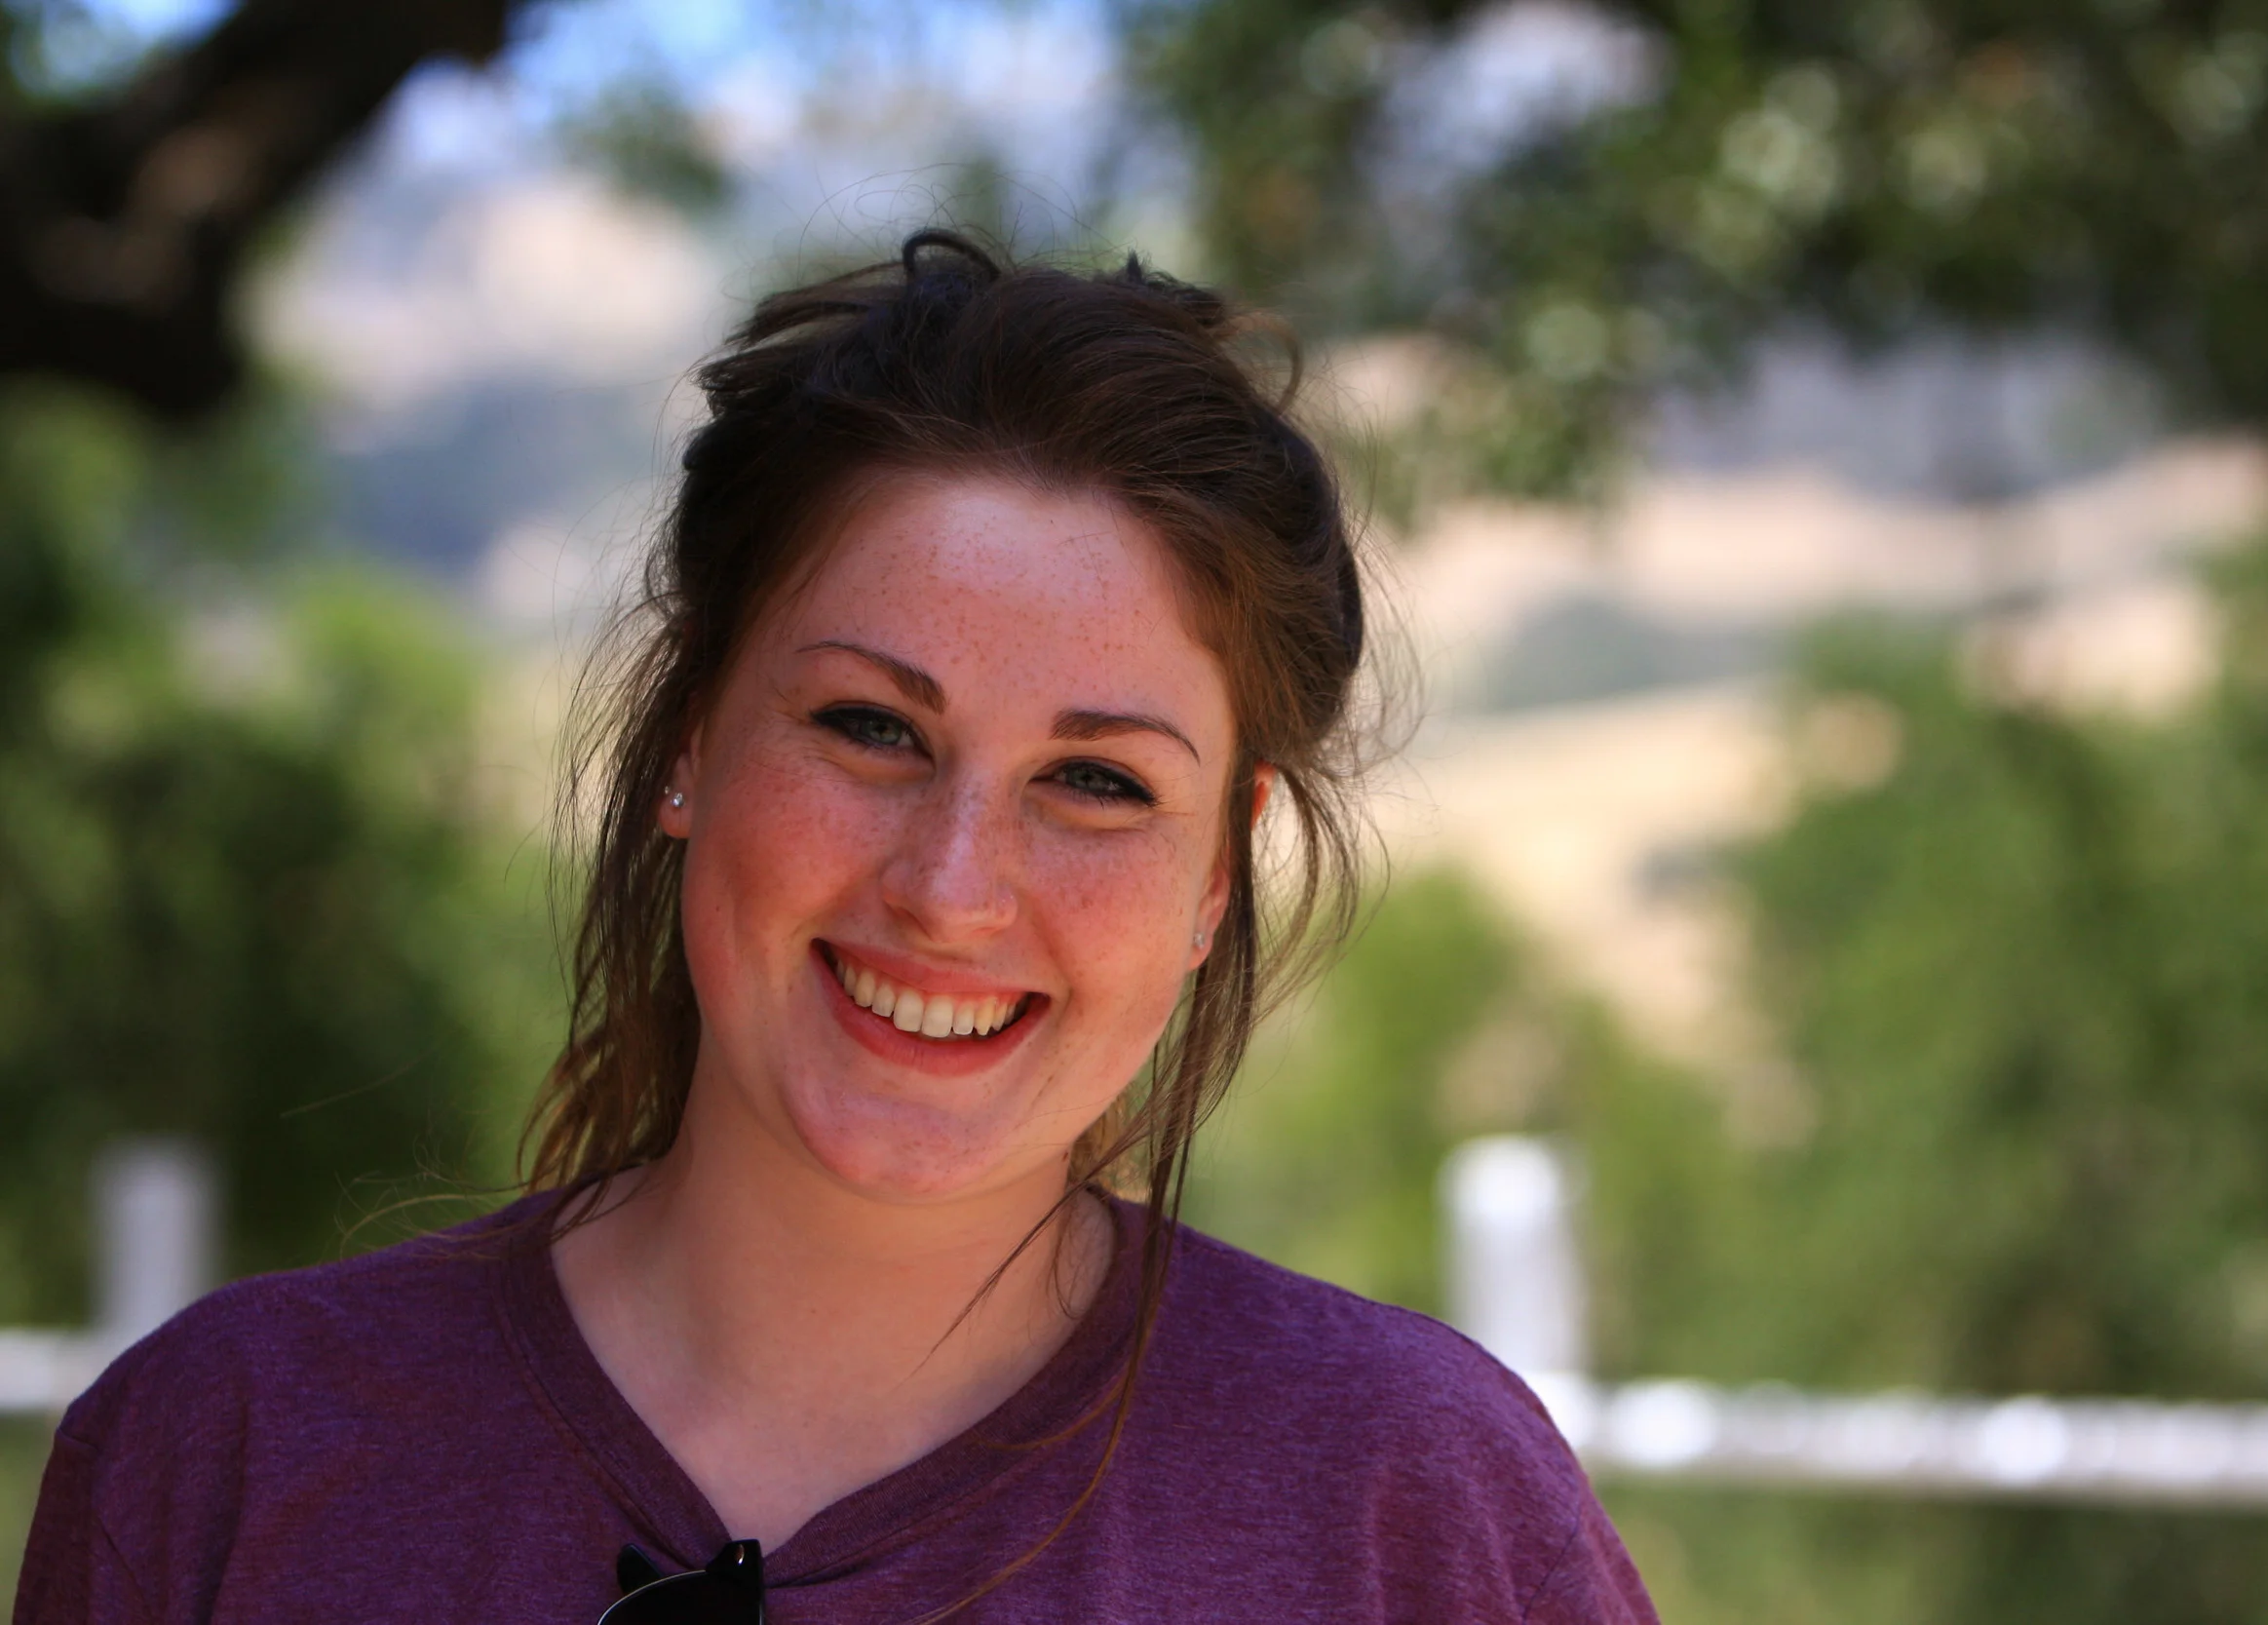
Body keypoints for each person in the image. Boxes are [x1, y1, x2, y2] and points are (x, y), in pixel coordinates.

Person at [13, 231, 1659, 1624]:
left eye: (1094, 779)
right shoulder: (222, 1457)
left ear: (1218, 878)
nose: (950, 886)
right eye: (872, 727)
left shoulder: (1413, 1508)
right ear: (687, 744)